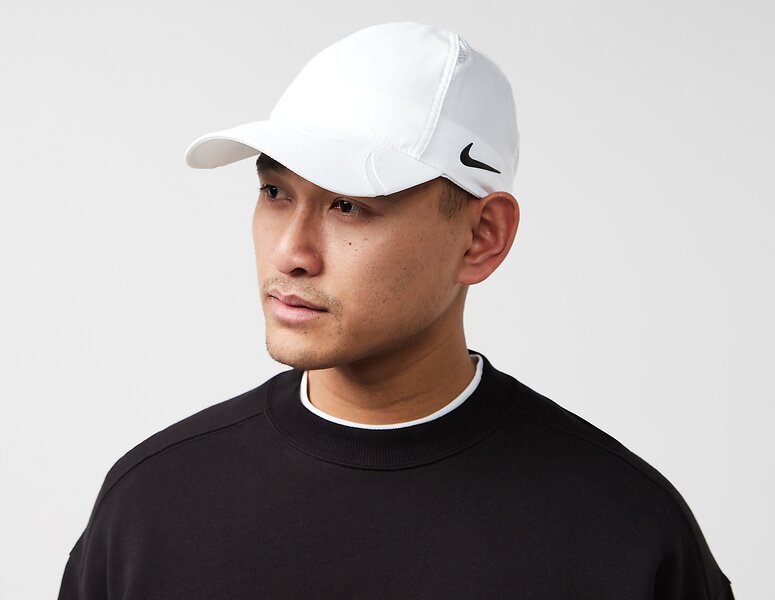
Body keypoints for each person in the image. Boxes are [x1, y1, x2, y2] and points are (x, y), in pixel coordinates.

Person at [58, 21, 734, 599]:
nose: (290, 253)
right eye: (274, 193)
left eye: (349, 205)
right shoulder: (153, 505)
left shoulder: (623, 528)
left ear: (481, 237)